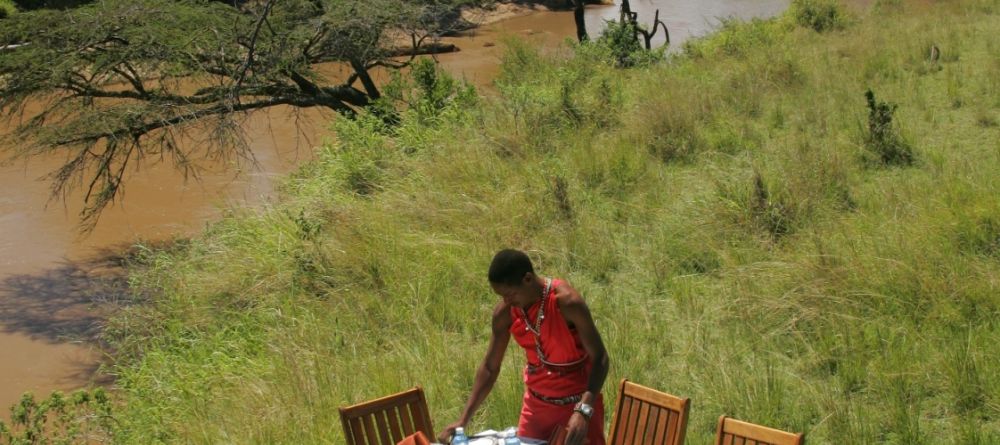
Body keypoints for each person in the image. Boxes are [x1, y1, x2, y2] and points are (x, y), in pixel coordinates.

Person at [439, 249, 610, 445]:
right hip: (536, 410)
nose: (506, 301)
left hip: (577, 409)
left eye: (510, 294)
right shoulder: (505, 313)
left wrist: (584, 411)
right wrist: (463, 419)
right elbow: (489, 367)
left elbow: (601, 358)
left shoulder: (567, 303)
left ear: (527, 279)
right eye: (501, 296)